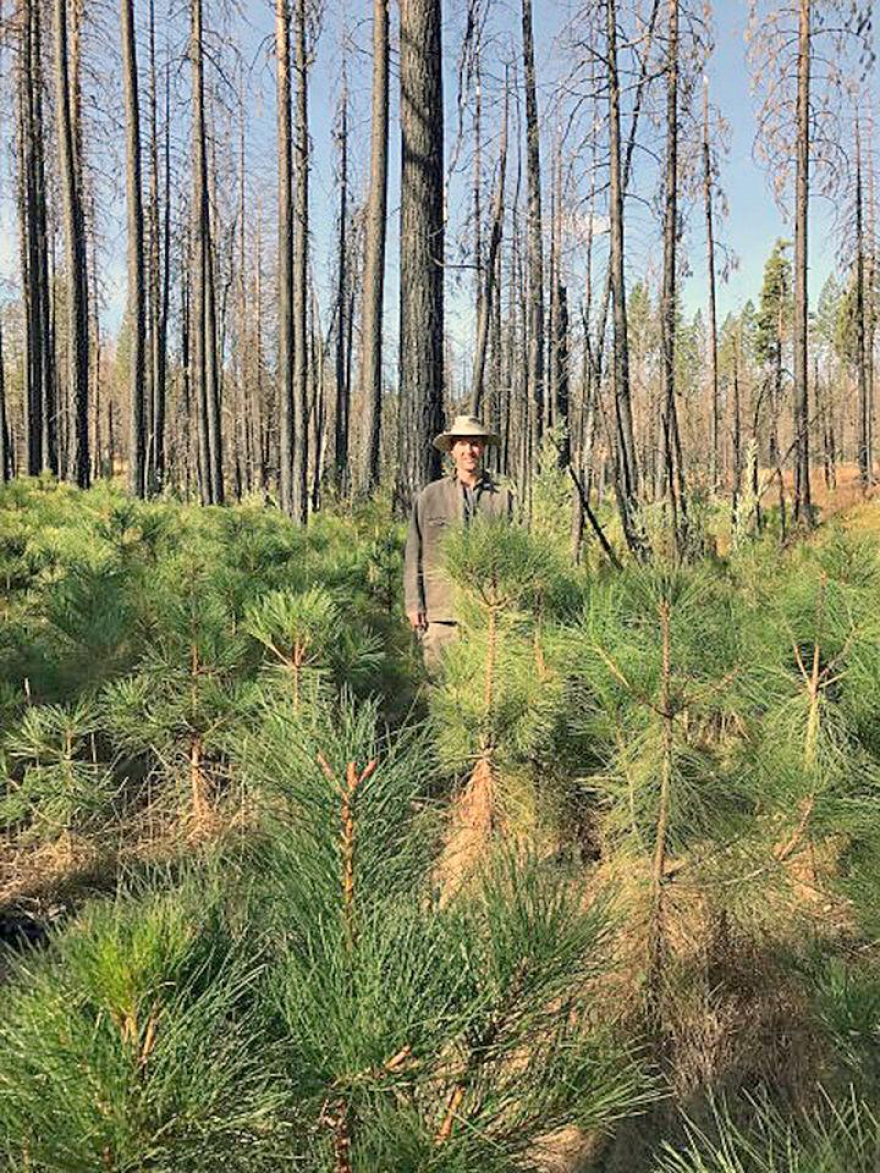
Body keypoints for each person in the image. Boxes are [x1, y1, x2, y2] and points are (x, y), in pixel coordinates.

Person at [404, 414, 513, 671]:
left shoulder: (502, 498)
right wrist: (413, 603)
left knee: (483, 691)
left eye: (475, 443)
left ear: (483, 448)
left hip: (485, 613)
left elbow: (511, 555)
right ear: (452, 449)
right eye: (462, 443)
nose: (469, 450)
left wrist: (506, 607)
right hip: (440, 613)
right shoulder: (430, 496)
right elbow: (413, 554)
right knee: (438, 690)